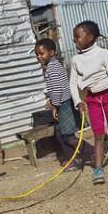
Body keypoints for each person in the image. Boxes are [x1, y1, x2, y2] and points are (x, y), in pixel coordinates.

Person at [69, 20, 108, 184]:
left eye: (78, 36)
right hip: (91, 101)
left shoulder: (104, 53)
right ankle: (98, 169)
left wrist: (93, 88)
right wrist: (78, 101)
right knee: (98, 134)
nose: (74, 40)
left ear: (90, 37)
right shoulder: (76, 60)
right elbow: (72, 83)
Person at [34, 38, 90, 171]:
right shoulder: (53, 66)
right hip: (63, 102)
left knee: (68, 136)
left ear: (52, 53)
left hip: (63, 104)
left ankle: (92, 152)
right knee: (62, 135)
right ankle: (73, 159)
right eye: (37, 54)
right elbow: (55, 88)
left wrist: (55, 105)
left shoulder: (52, 68)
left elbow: (58, 90)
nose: (39, 57)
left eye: (42, 53)